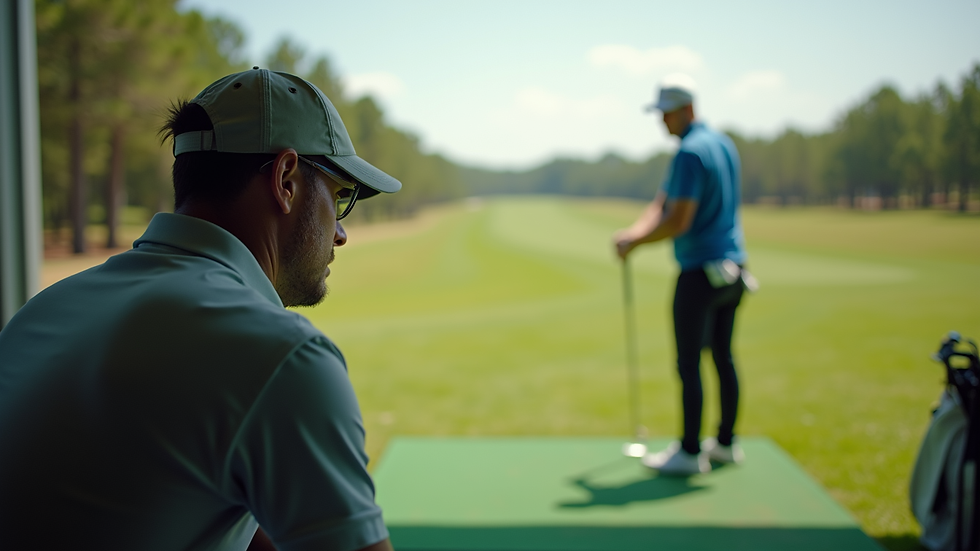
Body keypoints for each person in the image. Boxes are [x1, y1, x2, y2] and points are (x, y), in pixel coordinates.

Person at [0, 67, 401, 551]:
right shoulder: (281, 358)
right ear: (286, 180)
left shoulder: (42, 314)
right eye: (339, 198)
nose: (340, 233)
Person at [613, 74, 750, 476]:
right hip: (735, 269)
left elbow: (678, 219)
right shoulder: (722, 144)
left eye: (667, 114)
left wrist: (635, 243)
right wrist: (635, 233)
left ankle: (690, 452)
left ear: (688, 109)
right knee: (723, 356)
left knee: (689, 362)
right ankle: (725, 443)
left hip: (700, 273)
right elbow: (662, 203)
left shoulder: (689, 153)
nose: (662, 122)